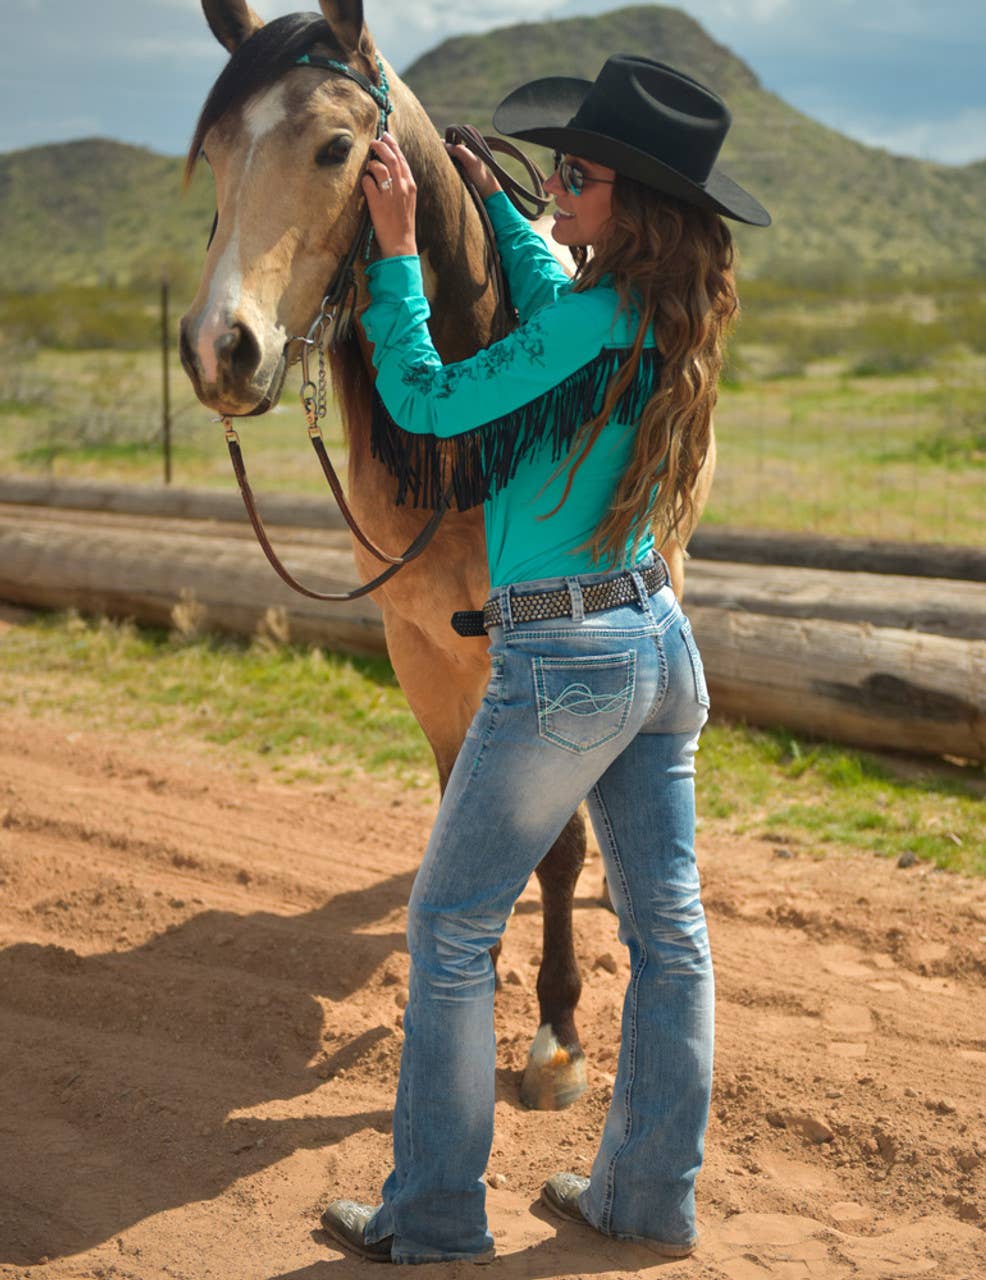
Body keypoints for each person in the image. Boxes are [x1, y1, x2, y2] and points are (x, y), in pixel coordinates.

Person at [320, 54, 770, 1265]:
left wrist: (403, 246)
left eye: (576, 177)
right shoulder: (653, 309)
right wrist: (508, 211)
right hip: (655, 645)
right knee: (670, 935)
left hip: (562, 658)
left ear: (633, 204)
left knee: (449, 927)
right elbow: (557, 283)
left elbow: (419, 394)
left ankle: (431, 1214)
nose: (555, 190)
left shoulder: (580, 322)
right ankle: (642, 1197)